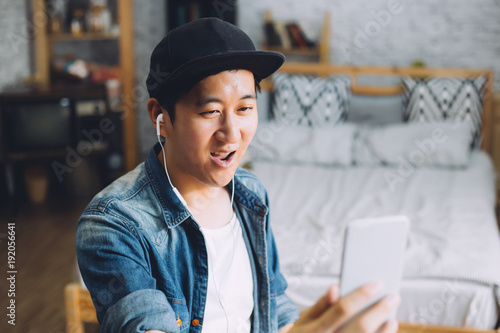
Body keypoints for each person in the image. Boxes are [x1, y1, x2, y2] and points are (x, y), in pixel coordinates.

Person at [76, 18, 401, 333]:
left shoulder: (251, 193)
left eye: (245, 108)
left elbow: (273, 308)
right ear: (160, 116)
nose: (232, 134)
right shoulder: (114, 225)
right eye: (211, 112)